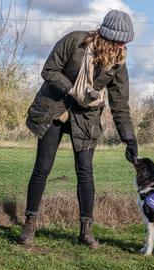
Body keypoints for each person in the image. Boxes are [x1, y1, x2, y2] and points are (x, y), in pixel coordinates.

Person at [18, 10, 138, 249]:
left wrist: (129, 138)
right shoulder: (75, 41)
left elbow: (120, 104)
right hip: (54, 109)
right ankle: (30, 223)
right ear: (107, 36)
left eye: (125, 42)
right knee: (42, 167)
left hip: (86, 118)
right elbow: (49, 70)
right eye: (119, 41)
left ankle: (86, 230)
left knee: (85, 172)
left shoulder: (118, 63)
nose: (122, 46)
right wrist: (73, 89)